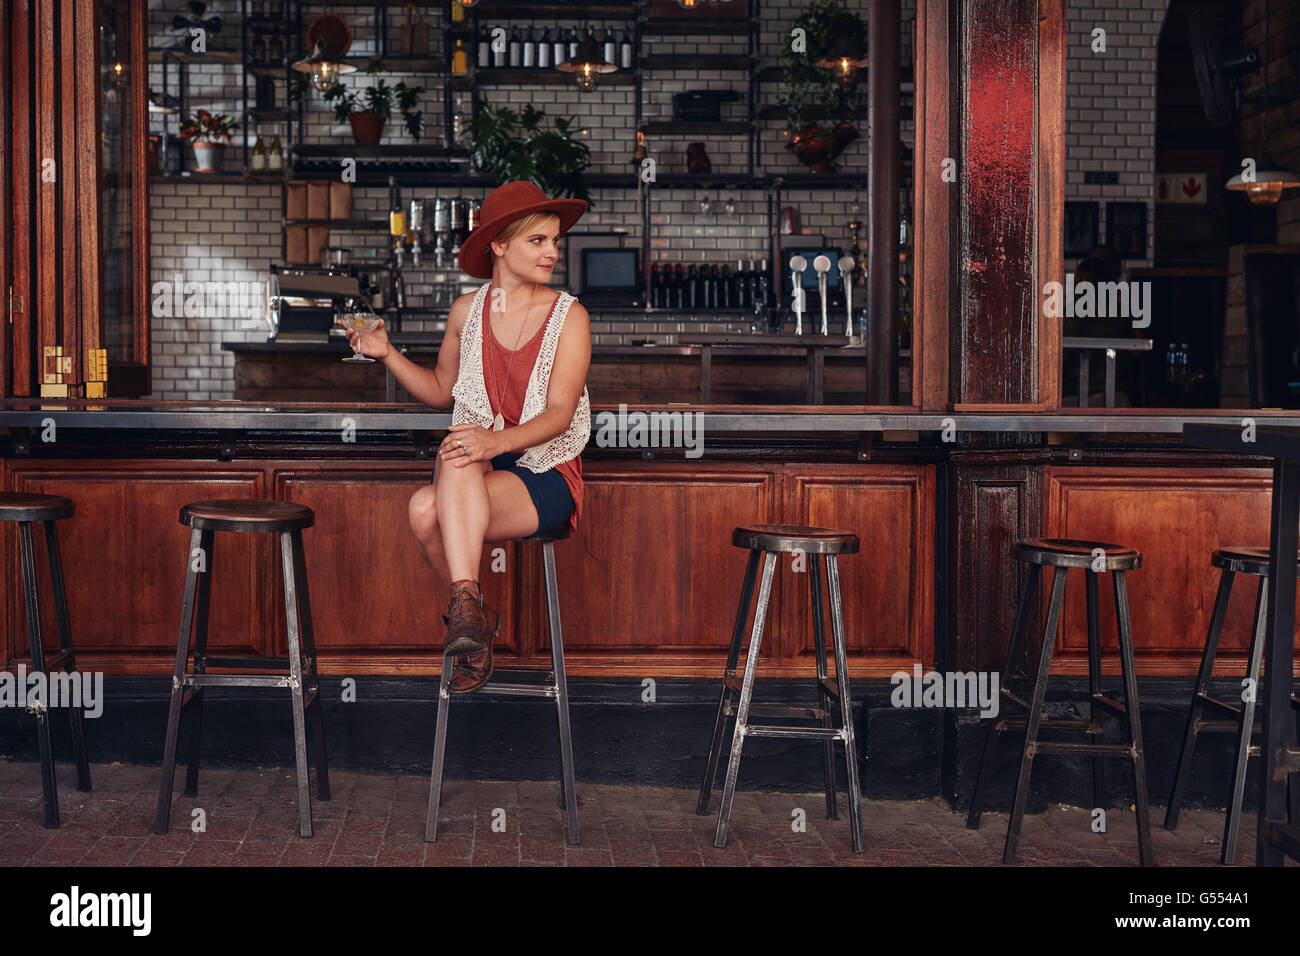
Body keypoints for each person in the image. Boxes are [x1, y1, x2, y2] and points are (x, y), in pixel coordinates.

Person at [342, 181, 591, 694]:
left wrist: (493, 443)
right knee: (425, 501)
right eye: (537, 241)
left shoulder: (570, 316)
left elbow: (562, 414)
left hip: (543, 472)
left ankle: (471, 621)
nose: (553, 251)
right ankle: (472, 617)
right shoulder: (466, 312)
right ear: (498, 244)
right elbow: (440, 391)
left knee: (441, 479)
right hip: (480, 470)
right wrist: (386, 353)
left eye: (554, 241)